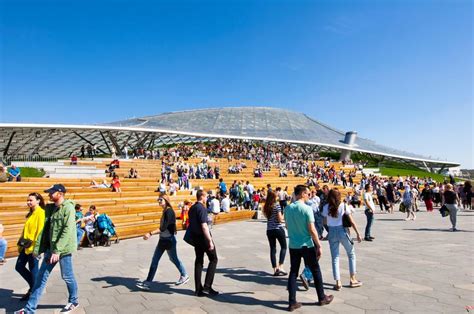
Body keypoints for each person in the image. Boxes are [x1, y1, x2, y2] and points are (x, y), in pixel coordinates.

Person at [17, 184, 79, 314]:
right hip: (51, 249)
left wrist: (57, 251)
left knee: (67, 276)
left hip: (64, 249)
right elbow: (44, 231)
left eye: (51, 192)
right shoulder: (50, 208)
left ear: (60, 193)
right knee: (41, 277)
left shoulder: (68, 208)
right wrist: (38, 249)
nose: (49, 195)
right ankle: (29, 309)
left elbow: (67, 230)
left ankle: (73, 301)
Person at [284, 185, 333, 311]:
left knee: (293, 272)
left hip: (294, 245)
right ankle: (321, 297)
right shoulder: (307, 209)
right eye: (307, 193)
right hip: (306, 244)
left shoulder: (288, 208)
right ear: (301, 194)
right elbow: (312, 229)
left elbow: (288, 227)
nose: (308, 195)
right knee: (315, 270)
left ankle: (292, 302)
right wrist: (318, 244)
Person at [136, 195, 189, 291]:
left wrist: (150, 233)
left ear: (166, 200)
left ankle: (184, 274)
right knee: (158, 260)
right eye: (158, 200)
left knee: (173, 259)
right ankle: (148, 282)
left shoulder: (169, 211)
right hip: (163, 240)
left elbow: (163, 228)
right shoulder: (165, 210)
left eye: (160, 199)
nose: (159, 201)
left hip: (169, 240)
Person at [322, 188, 362, 291]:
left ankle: (338, 282)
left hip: (332, 232)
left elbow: (325, 222)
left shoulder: (326, 207)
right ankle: (353, 279)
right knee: (351, 253)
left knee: (335, 257)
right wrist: (357, 233)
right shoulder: (343, 206)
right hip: (342, 231)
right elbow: (351, 221)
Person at [187, 190, 219, 297]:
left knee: (199, 261)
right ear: (202, 197)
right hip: (203, 237)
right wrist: (210, 241)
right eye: (205, 197)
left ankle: (198, 289)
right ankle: (207, 286)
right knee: (213, 259)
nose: (206, 199)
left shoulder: (192, 208)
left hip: (196, 238)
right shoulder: (201, 208)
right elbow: (204, 226)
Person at [15, 193, 46, 301]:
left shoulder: (41, 213)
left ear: (38, 201)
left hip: (33, 248)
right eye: (27, 200)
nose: (28, 202)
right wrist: (20, 244)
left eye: (31, 200)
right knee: (19, 267)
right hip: (25, 246)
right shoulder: (31, 213)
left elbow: (40, 232)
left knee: (34, 271)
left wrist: (37, 249)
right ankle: (34, 288)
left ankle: (34, 293)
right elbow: (25, 230)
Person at [262, 190, 287, 276]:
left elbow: (266, 216)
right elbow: (280, 219)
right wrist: (284, 216)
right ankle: (280, 266)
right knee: (283, 247)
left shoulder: (265, 207)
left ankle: (274, 268)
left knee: (273, 249)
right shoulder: (277, 206)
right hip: (278, 228)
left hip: (269, 229)